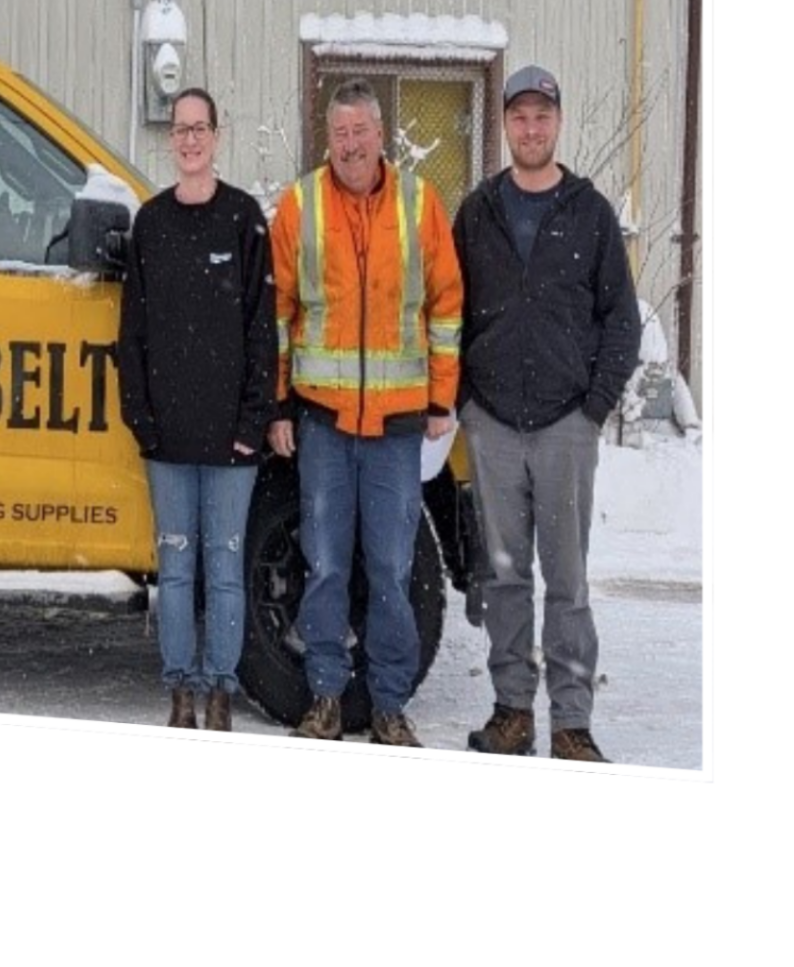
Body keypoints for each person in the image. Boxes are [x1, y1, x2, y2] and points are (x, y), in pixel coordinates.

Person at [453, 65, 640, 763]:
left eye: (542, 116)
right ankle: (512, 711)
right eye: (519, 116)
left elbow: (621, 320)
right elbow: (447, 310)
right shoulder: (478, 213)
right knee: (504, 577)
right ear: (505, 124)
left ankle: (571, 721)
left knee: (566, 579)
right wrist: (464, 401)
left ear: (557, 123)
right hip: (494, 422)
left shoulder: (589, 213)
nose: (530, 129)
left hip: (565, 424)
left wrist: (594, 408)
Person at [268, 79, 462, 745]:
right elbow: (278, 314)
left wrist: (440, 397)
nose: (350, 146)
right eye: (340, 134)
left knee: (391, 570)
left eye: (361, 132)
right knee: (325, 566)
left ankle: (388, 705)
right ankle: (325, 696)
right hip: (323, 422)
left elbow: (446, 305)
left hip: (397, 429)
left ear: (382, 135)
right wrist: (280, 405)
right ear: (329, 139)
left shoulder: (419, 204)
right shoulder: (300, 206)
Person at [117, 88, 277, 732]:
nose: (189, 140)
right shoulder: (151, 224)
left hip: (231, 441)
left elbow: (261, 329)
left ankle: (220, 691)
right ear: (171, 139)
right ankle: (181, 690)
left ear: (216, 136)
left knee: (226, 570)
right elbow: (132, 332)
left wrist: (252, 424)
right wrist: (142, 420)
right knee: (177, 570)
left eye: (199, 128)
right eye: (180, 129)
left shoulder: (243, 220)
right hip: (168, 440)